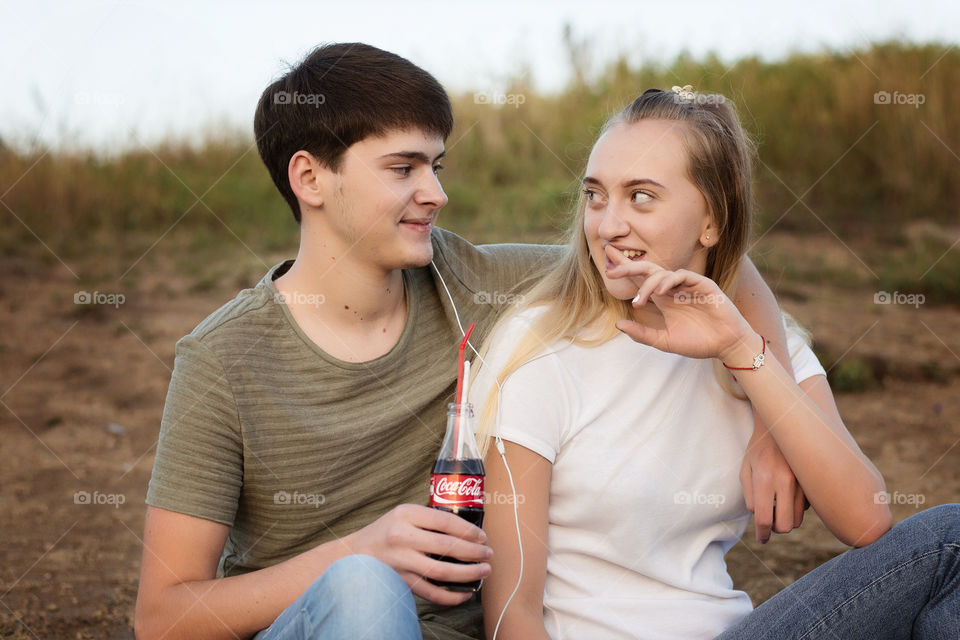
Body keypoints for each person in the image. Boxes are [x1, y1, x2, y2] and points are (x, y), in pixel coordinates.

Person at [133, 44, 804, 640]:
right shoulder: (222, 359)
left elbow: (706, 261)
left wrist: (771, 422)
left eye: (437, 164)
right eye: (404, 169)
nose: (436, 193)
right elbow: (163, 616)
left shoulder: (473, 280)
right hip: (322, 620)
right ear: (309, 179)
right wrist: (357, 553)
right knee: (365, 590)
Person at [473, 87, 960, 639]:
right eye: (595, 194)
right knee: (951, 540)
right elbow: (511, 613)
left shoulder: (767, 347)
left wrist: (742, 356)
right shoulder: (542, 348)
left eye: (641, 196)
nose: (607, 225)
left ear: (711, 221)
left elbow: (866, 520)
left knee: (951, 545)